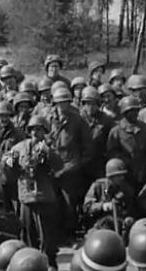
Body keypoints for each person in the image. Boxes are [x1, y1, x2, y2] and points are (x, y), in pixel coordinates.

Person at [4, 115, 62, 267]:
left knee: (46, 236)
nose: (35, 133)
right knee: (28, 233)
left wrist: (47, 152)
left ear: (45, 131)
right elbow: (8, 157)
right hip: (26, 197)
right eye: (33, 130)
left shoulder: (49, 147)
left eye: (39, 130)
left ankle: (48, 263)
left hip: (44, 198)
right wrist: (9, 160)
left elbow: (59, 165)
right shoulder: (20, 146)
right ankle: (30, 264)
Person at [48, 87, 92, 241]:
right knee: (52, 204)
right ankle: (55, 236)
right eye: (59, 103)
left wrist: (74, 166)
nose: (62, 106)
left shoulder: (78, 121)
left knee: (69, 206)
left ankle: (70, 236)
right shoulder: (48, 118)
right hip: (51, 168)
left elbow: (87, 149)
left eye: (65, 102)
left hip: (70, 170)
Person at [107, 96, 146, 188]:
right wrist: (124, 162)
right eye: (131, 111)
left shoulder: (144, 127)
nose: (135, 113)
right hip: (124, 172)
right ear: (124, 112)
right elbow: (112, 152)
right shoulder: (116, 130)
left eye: (136, 110)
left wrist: (144, 166)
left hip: (142, 172)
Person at [82, 158, 137, 233]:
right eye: (118, 176)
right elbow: (87, 207)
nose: (122, 178)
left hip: (120, 223)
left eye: (123, 175)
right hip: (100, 223)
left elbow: (131, 209)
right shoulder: (98, 186)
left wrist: (129, 218)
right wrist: (102, 206)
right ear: (110, 177)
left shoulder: (126, 189)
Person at [0, 101, 26, 211]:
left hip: (12, 177)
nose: (3, 119)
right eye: (1, 116)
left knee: (15, 209)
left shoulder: (17, 134)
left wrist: (7, 158)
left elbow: (21, 151)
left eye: (6, 115)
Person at [79, 86, 115, 182]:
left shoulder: (106, 120)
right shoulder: (78, 118)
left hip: (99, 162)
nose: (91, 107)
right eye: (88, 103)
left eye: (93, 103)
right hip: (81, 163)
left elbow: (111, 142)